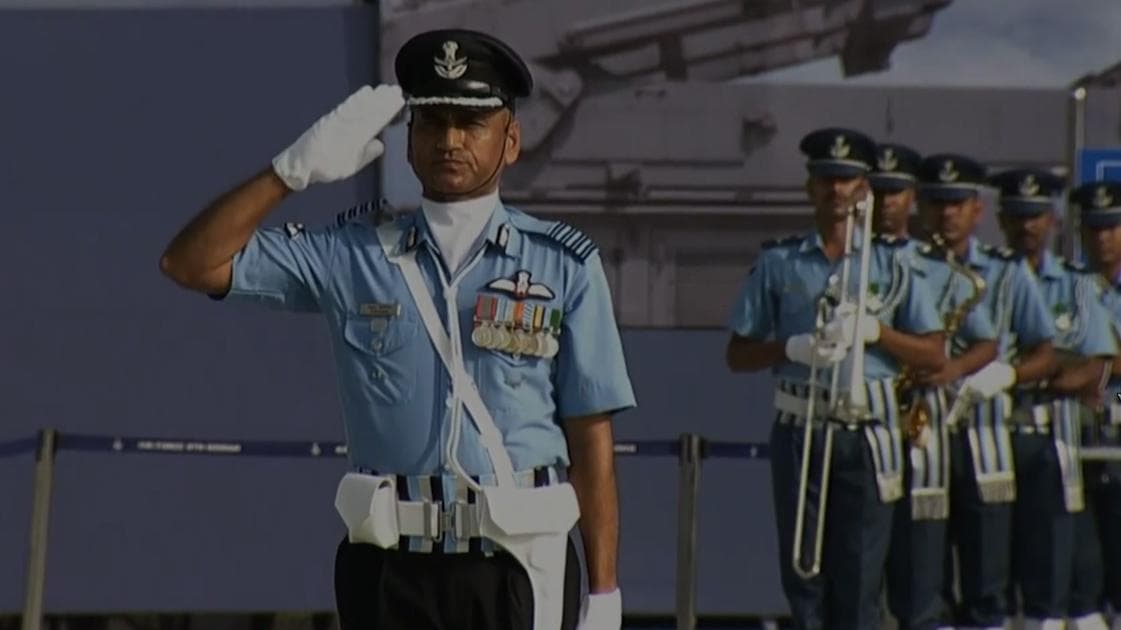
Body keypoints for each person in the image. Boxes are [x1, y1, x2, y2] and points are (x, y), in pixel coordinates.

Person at [158, 28, 635, 630]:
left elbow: (591, 441)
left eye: (472, 123)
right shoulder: (352, 255)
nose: (450, 140)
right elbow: (190, 262)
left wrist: (605, 593)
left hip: (518, 565)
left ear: (511, 140)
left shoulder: (562, 263)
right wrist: (290, 172)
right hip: (389, 569)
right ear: (409, 142)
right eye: (431, 122)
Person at [726, 127, 948, 629]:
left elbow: (933, 353)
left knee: (861, 576)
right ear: (810, 187)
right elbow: (737, 354)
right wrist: (790, 347)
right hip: (800, 426)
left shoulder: (893, 265)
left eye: (847, 180)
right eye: (826, 179)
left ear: (864, 190)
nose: (836, 190)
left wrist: (877, 332)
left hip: (867, 432)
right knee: (805, 576)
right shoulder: (780, 261)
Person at [915, 155, 1057, 630]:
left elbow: (1047, 350)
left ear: (977, 209)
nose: (946, 213)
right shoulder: (905, 266)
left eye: (957, 202)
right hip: (919, 440)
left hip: (989, 440)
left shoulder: (1006, 270)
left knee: (988, 581)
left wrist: (1009, 375)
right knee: (924, 582)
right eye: (936, 202)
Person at [871, 142, 999, 630]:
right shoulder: (849, 260)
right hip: (862, 419)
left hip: (923, 427)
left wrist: (947, 370)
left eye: (896, 192)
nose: (887, 202)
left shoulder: (942, 267)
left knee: (922, 560)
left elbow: (986, 341)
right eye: (879, 191)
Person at [990, 168, 1118, 630]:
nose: (1027, 227)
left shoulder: (1075, 284)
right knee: (992, 569)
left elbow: (1098, 364)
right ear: (1001, 219)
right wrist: (1054, 364)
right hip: (989, 434)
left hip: (1055, 436)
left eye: (1037, 216)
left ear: (1053, 222)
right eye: (1018, 216)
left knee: (1057, 570)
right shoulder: (983, 278)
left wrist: (1039, 371)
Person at [1069, 180, 1121, 630]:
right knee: (1082, 564)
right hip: (1078, 432)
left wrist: (1100, 364)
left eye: (1112, 226)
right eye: (1094, 228)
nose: (1102, 237)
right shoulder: (1069, 286)